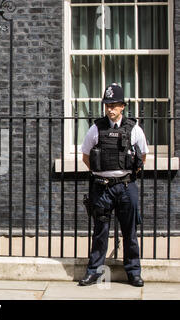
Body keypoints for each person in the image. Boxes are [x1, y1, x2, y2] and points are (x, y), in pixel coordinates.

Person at [79, 83, 149, 287]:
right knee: (100, 232)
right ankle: (94, 272)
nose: (110, 109)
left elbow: (142, 157)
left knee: (130, 232)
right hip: (102, 188)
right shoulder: (96, 128)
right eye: (107, 105)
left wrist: (125, 175)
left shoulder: (133, 129)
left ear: (122, 106)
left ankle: (133, 272)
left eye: (114, 105)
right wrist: (101, 172)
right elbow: (85, 155)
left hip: (126, 187)